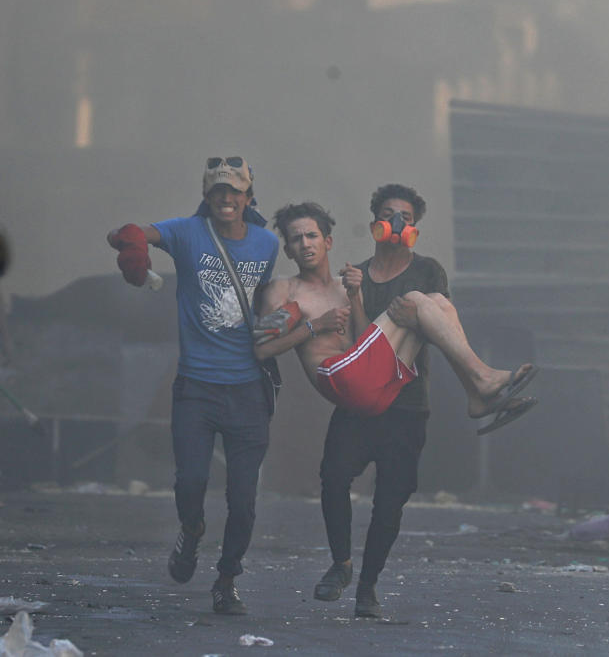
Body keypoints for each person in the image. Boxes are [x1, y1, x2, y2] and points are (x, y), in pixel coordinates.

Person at [253, 191, 537, 618]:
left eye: (312, 235)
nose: (305, 244)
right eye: (296, 239)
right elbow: (263, 347)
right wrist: (314, 325)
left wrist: (359, 302)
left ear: (328, 241)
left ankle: (367, 588)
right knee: (333, 478)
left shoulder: (356, 284)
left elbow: (363, 341)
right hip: (346, 388)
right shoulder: (290, 288)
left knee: (432, 303)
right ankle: (480, 384)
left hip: (392, 390)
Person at [106, 156, 279, 615]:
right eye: (218, 190)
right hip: (197, 387)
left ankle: (226, 580)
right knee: (192, 480)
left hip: (247, 390)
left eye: (234, 191)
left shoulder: (268, 244)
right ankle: (193, 528)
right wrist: (132, 246)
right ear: (207, 195)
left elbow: (270, 302)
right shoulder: (186, 232)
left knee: (243, 500)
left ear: (248, 197)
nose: (226, 197)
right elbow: (130, 234)